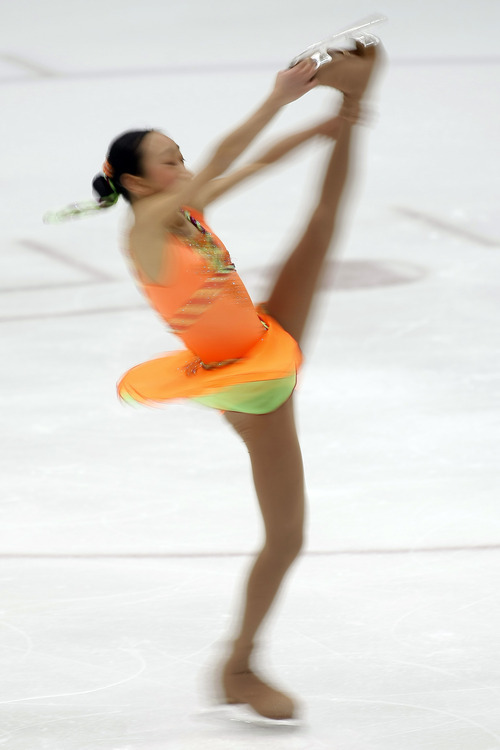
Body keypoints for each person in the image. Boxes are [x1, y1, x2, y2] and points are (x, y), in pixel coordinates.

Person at [90, 40, 381, 721]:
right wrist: (279, 100)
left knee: (320, 228)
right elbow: (224, 159)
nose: (184, 168)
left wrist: (328, 127)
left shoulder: (182, 212)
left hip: (260, 335)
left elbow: (243, 167)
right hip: (249, 383)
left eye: (180, 157)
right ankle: (239, 665)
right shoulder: (146, 234)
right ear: (136, 182)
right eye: (170, 161)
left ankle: (357, 96)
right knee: (287, 537)